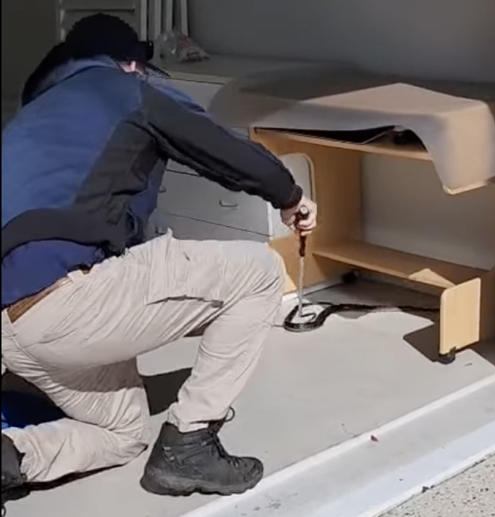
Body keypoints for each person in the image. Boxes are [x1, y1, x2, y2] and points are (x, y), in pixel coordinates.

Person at [0, 14, 317, 508]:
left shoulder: (31, 119)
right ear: (131, 62)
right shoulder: (124, 89)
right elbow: (221, 148)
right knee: (256, 273)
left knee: (122, 432)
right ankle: (190, 442)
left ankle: (13, 456)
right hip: (65, 303)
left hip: (14, 329)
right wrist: (291, 196)